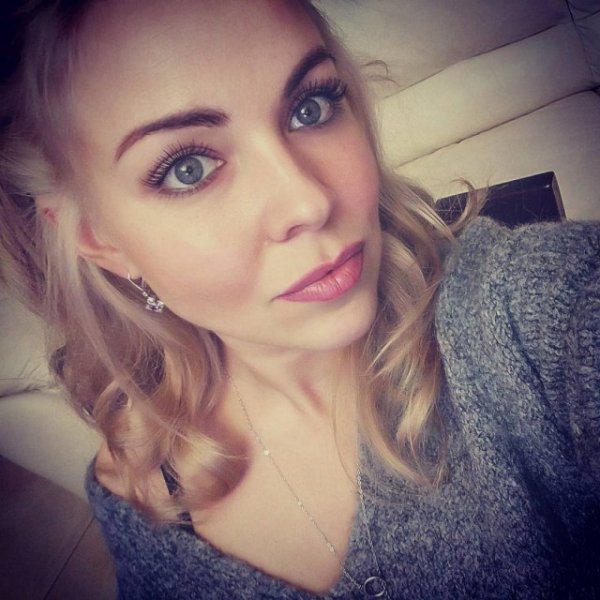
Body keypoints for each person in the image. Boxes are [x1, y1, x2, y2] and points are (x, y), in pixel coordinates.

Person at [0, 0, 598, 598]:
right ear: (100, 240)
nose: (309, 202)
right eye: (188, 168)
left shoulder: (527, 309)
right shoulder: (140, 492)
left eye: (310, 108)